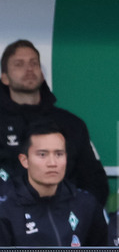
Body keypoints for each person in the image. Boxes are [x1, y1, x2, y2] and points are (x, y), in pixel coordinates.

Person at [0, 40, 108, 205]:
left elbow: (94, 181)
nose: (29, 69)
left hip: (62, 221)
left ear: (42, 74)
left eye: (34, 63)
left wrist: (79, 215)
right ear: (4, 78)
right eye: (19, 64)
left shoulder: (71, 123)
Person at [0, 120, 106, 246]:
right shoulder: (5, 209)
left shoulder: (86, 204)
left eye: (59, 154)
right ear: (25, 160)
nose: (52, 163)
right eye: (42, 154)